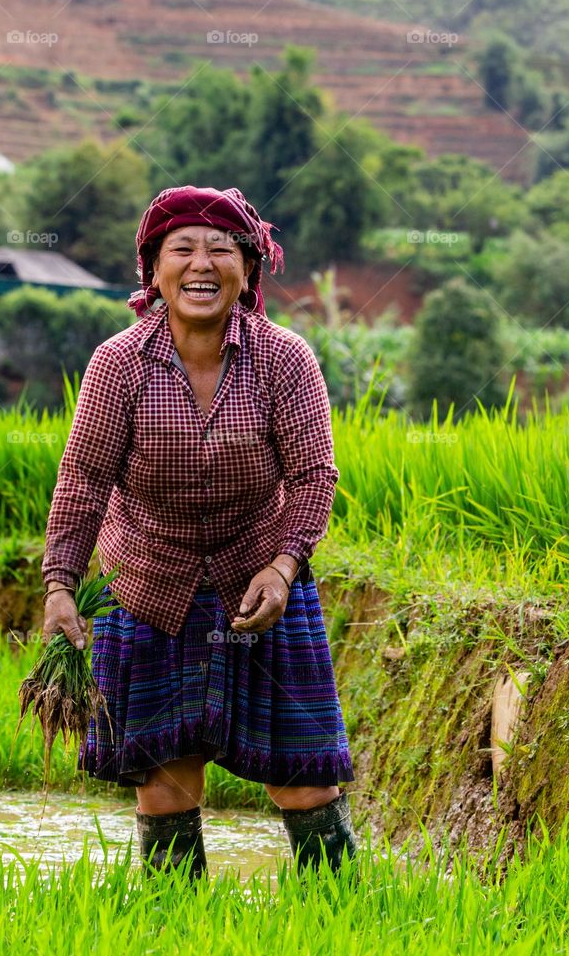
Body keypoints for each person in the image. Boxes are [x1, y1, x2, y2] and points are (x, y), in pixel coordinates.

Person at [40, 185, 357, 880]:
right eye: (181, 248)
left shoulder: (284, 359)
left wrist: (283, 567)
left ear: (250, 267)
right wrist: (60, 585)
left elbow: (313, 477)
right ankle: (174, 923)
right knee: (165, 780)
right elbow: (84, 479)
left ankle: (345, 913)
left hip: (262, 580)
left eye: (222, 248)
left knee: (304, 777)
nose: (201, 263)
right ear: (152, 270)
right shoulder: (117, 364)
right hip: (151, 585)